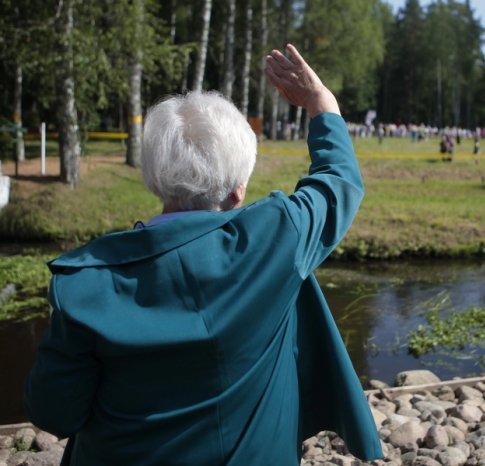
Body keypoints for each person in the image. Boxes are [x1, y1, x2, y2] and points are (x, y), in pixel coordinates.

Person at [24, 44, 382, 466]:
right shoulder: (278, 237)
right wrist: (321, 104)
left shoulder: (86, 283)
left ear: (155, 179)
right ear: (237, 191)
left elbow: (54, 414)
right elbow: (338, 180)